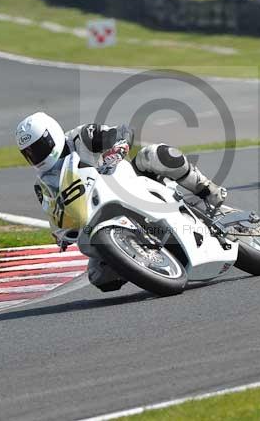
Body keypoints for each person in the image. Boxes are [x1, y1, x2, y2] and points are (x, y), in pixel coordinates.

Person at [15, 112, 228, 291]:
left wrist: (119, 148)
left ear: (52, 136)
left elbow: (123, 132)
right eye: (29, 153)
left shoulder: (82, 136)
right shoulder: (42, 183)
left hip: (130, 184)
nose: (36, 156)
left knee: (154, 154)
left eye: (40, 147)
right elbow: (54, 210)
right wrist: (60, 234)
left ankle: (207, 189)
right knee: (100, 278)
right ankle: (140, 258)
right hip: (98, 216)